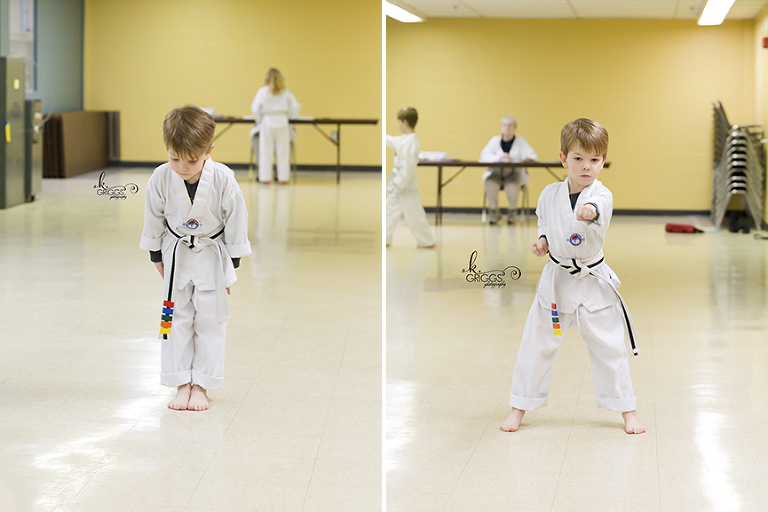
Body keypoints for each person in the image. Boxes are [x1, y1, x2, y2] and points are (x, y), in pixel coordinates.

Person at [500, 118, 644, 434]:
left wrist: (588, 211)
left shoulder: (601, 195)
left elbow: (597, 209)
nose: (586, 167)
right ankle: (519, 406)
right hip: (557, 283)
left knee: (610, 347)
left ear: (603, 161)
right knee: (536, 342)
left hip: (593, 281)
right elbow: (545, 223)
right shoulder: (550, 194)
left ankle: (628, 411)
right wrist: (543, 242)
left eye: (594, 160)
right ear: (564, 158)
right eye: (578, 159)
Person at [140, 105, 252, 411]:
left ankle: (202, 384)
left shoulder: (224, 178)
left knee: (211, 321)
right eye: (174, 158)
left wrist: (233, 263)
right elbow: (153, 215)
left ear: (208, 150)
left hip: (213, 259)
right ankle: (180, 383)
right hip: (174, 256)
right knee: (172, 321)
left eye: (192, 160)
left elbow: (236, 217)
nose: (182, 167)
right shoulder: (161, 177)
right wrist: (154, 254)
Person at [386, 106, 436, 248]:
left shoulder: (411, 142)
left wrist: (399, 183)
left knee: (414, 216)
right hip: (399, 185)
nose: (399, 126)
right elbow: (394, 141)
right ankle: (386, 239)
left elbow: (408, 168)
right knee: (389, 211)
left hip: (405, 185)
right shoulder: (406, 140)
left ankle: (427, 241)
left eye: (399, 123)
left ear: (405, 122)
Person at [480, 116, 537, 225]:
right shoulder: (494, 140)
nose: (507, 128)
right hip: (496, 174)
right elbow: (483, 155)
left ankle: (512, 213)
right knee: (489, 182)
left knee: (512, 186)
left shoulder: (521, 141)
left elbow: (532, 155)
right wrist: (500, 157)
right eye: (505, 125)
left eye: (510, 125)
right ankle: (494, 212)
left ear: (515, 127)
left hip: (513, 174)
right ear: (501, 127)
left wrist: (526, 158)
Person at [251, 68, 300, 184]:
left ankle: (265, 178)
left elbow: (255, 108)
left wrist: (259, 119)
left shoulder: (262, 91)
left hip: (267, 121)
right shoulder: (285, 92)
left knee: (265, 151)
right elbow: (296, 106)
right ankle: (283, 178)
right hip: (282, 121)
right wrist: (289, 118)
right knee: (283, 151)